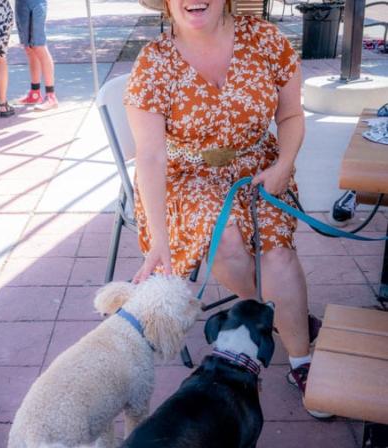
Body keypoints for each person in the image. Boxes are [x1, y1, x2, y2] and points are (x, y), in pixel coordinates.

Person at [125, 0, 331, 418]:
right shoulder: (154, 62)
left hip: (259, 167)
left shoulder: (266, 40)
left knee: (278, 253)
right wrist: (159, 241)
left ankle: (300, 361)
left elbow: (291, 114)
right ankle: (279, 311)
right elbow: (149, 157)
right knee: (227, 240)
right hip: (187, 176)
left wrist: (283, 165)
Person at [14, 0, 58, 111]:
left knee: (39, 46)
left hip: (36, 4)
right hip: (21, 3)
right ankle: (35, 93)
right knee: (29, 48)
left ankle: (51, 96)